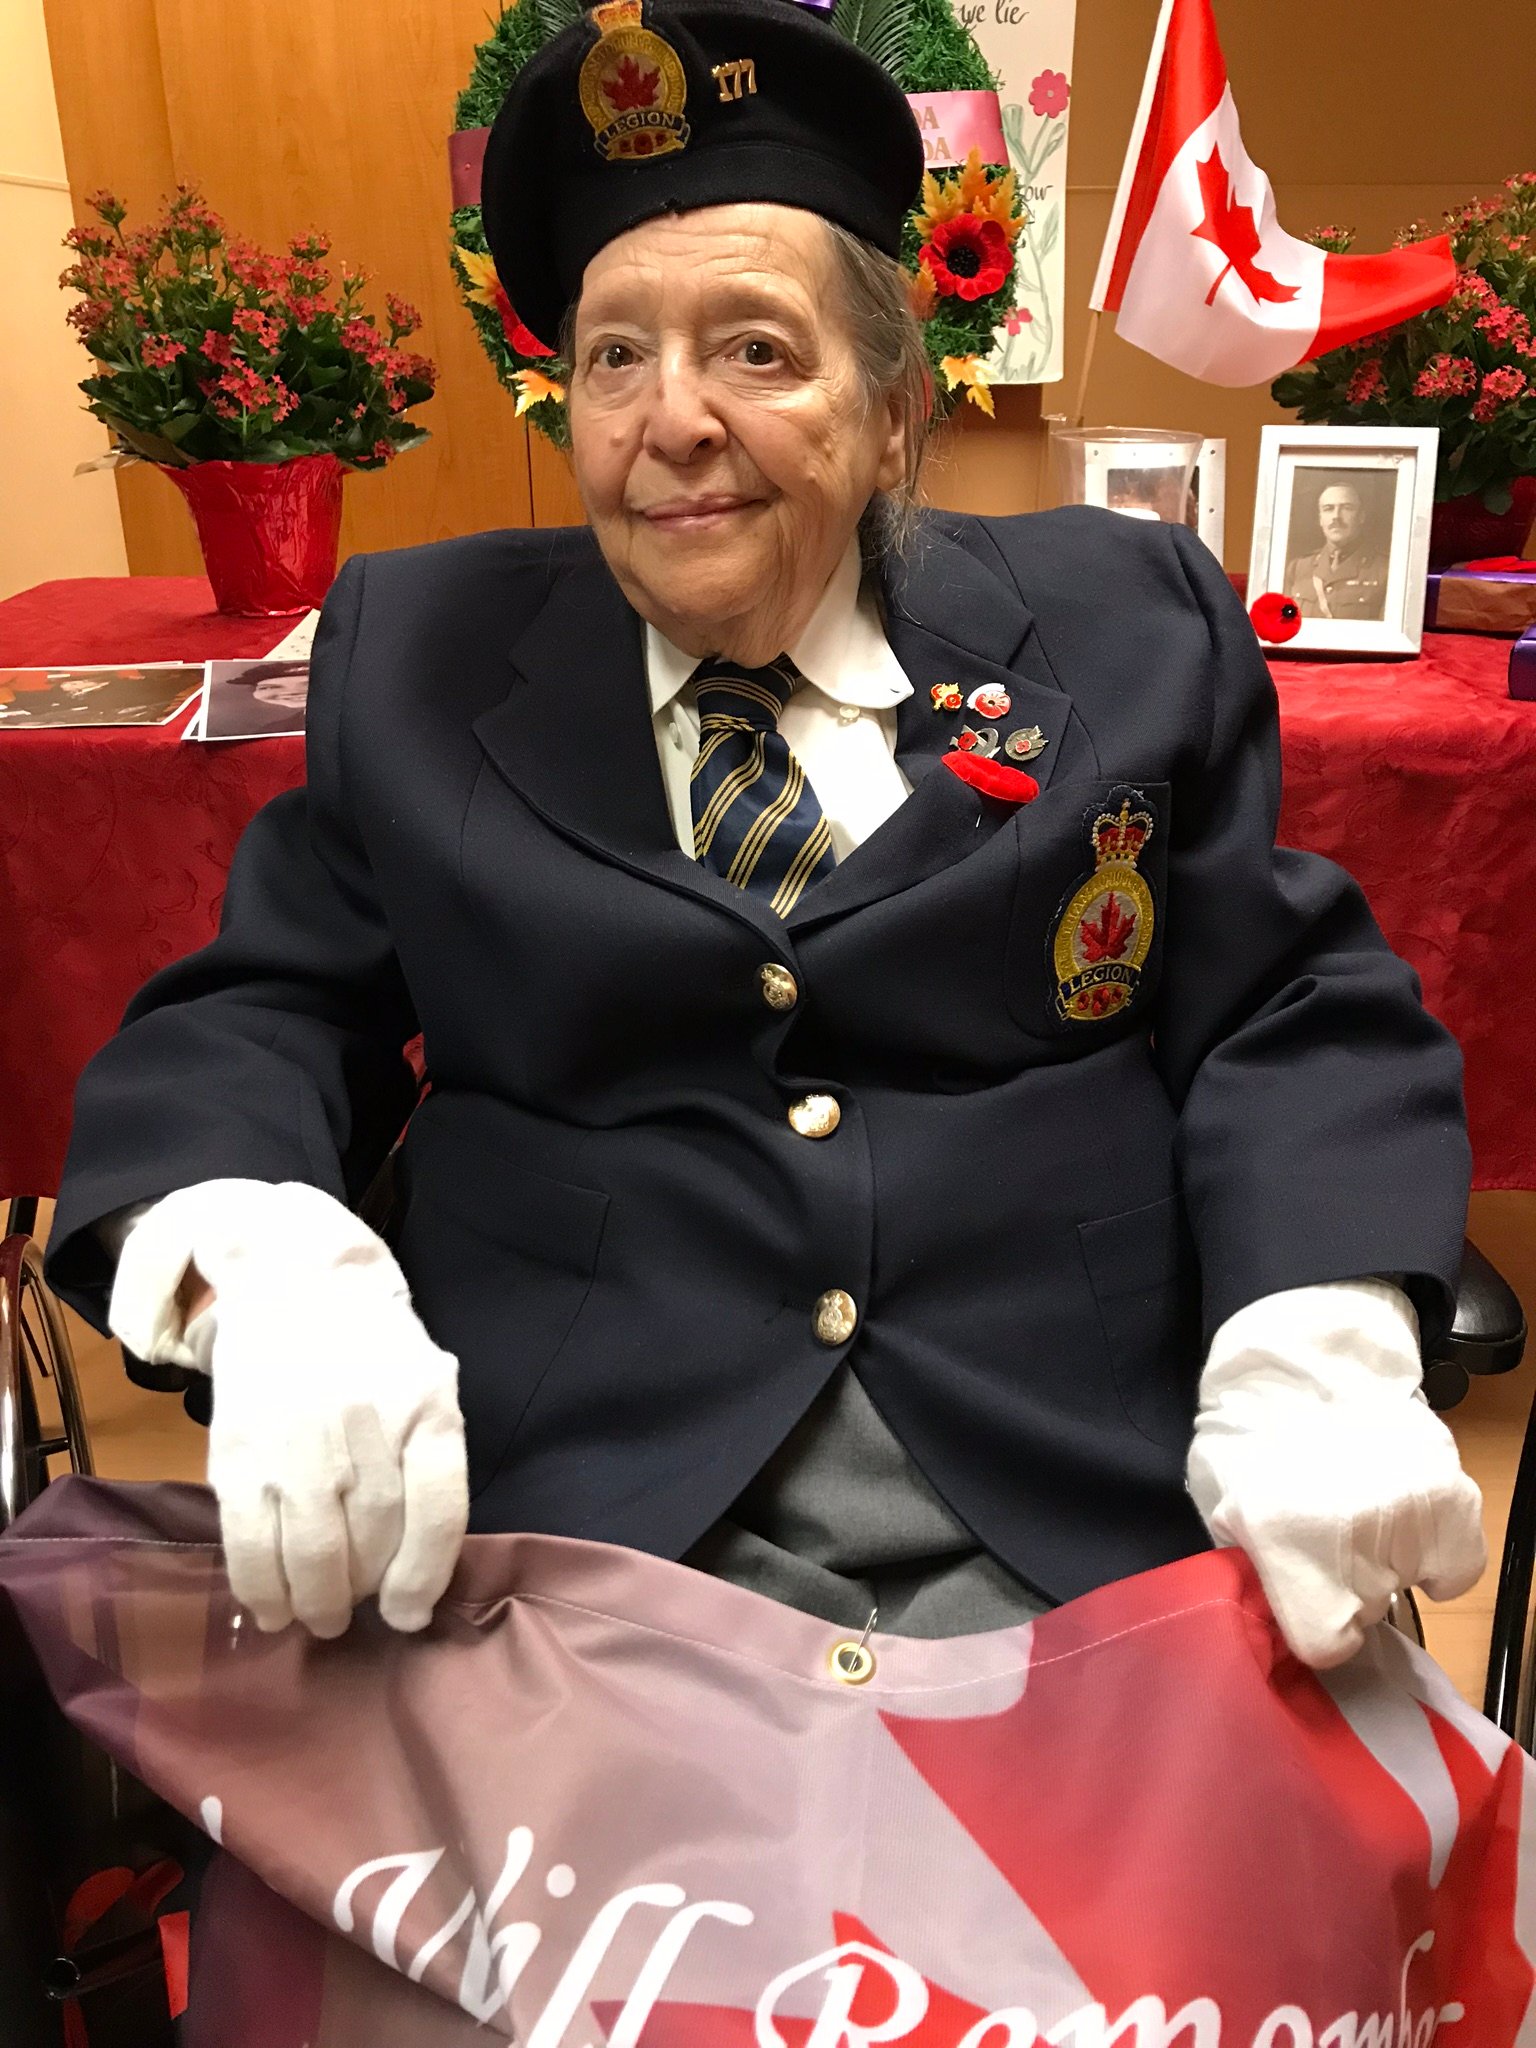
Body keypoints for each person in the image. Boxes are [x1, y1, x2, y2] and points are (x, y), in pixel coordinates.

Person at [46, 0, 1482, 1672]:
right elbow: (261, 1009)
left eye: (757, 349)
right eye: (611, 355)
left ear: (890, 413)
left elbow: (1287, 1007)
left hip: (1082, 1496)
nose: (672, 421)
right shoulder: (417, 652)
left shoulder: (1129, 622)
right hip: (573, 1515)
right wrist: (267, 1253)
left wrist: (1312, 1336)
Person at [1285, 478, 1391, 620]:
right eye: (1328, 509)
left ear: (1361, 517)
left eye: (1347, 508)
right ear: (1320, 519)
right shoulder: (1298, 568)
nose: (1336, 517)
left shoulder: (1385, 570)